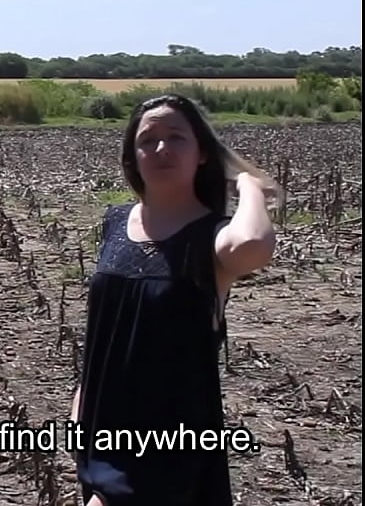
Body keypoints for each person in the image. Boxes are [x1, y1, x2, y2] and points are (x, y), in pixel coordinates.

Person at [70, 94, 280, 506]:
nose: (160, 148)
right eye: (147, 140)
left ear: (202, 152)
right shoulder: (115, 222)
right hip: (102, 426)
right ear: (132, 156)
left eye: (176, 138)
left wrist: (249, 188)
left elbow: (253, 244)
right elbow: (106, 330)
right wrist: (80, 402)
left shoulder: (212, 237)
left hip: (169, 436)